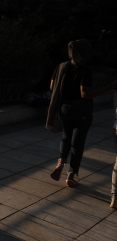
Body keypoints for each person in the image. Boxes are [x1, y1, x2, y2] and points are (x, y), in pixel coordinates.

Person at [47, 40, 117, 188]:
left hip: (65, 108)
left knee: (66, 137)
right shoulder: (85, 70)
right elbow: (84, 94)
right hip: (81, 110)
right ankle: (70, 177)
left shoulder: (61, 66)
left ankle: (60, 163)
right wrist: (109, 87)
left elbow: (52, 86)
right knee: (77, 144)